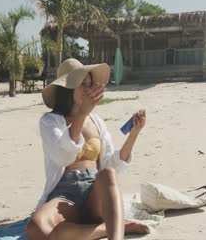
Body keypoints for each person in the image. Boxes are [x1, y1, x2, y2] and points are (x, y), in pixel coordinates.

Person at [26, 58, 149, 240]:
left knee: (107, 173)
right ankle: (110, 227)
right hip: (64, 192)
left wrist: (134, 134)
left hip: (94, 191)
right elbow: (63, 157)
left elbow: (112, 164)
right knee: (37, 229)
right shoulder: (50, 121)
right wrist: (82, 113)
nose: (87, 88)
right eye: (81, 84)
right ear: (67, 88)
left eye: (89, 84)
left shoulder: (96, 121)